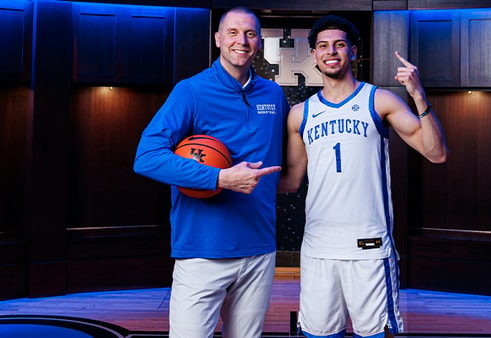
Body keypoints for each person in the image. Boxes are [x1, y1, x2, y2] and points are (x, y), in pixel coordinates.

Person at [278, 15, 448, 338]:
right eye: (323, 46)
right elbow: (292, 180)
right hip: (318, 248)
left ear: (353, 52)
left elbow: (436, 153)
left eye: (340, 45)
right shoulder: (300, 114)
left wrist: (418, 94)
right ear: (313, 54)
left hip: (368, 248)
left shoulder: (379, 100)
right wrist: (227, 180)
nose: (331, 52)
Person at [133, 7, 289, 338]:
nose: (241, 41)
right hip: (202, 250)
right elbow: (146, 157)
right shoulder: (191, 91)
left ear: (258, 42)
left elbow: (286, 160)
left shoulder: (274, 95)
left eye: (249, 34)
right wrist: (219, 178)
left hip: (259, 248)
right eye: (232, 32)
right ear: (218, 39)